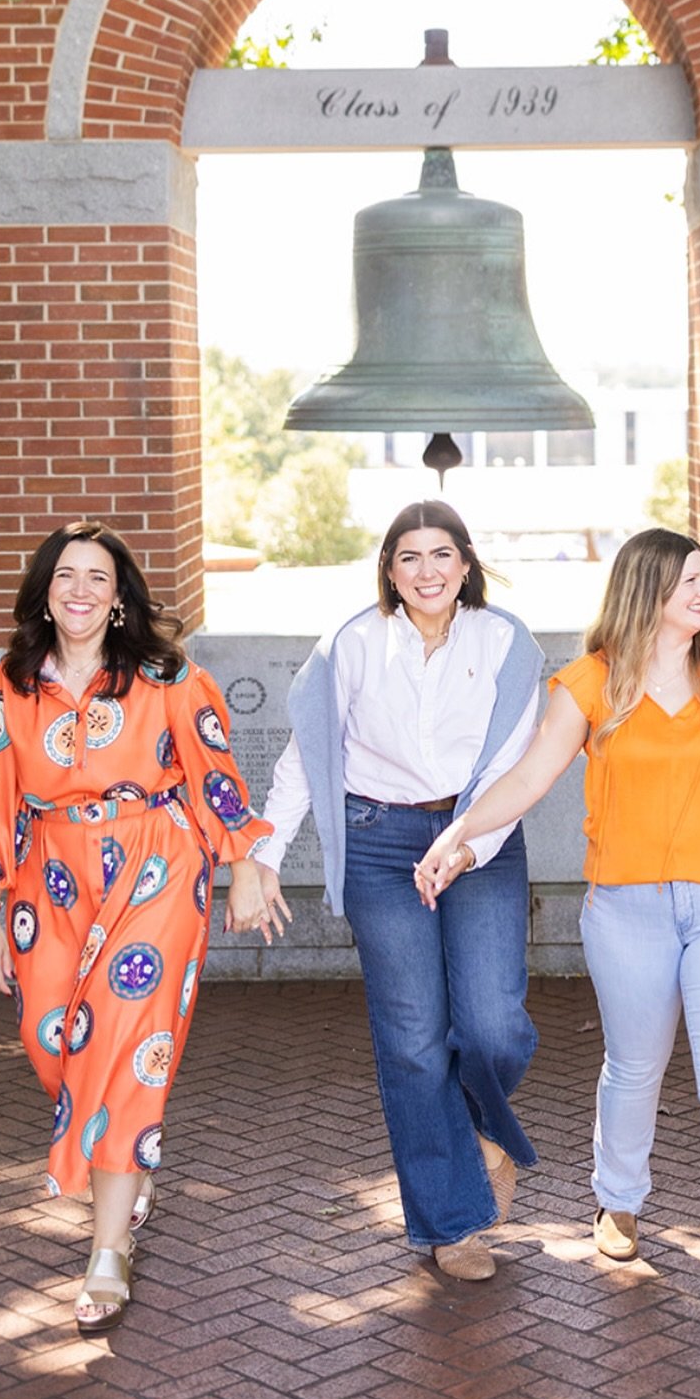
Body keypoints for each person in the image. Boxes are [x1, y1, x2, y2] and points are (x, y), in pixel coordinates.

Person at [415, 527, 700, 1342]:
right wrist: (456, 836)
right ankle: (619, 1196)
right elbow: (528, 777)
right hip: (626, 910)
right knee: (635, 1067)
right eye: (693, 581)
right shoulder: (592, 682)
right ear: (650, 590)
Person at [0, 521, 272, 1333]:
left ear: (119, 596)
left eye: (98, 578)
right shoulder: (7, 687)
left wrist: (243, 863)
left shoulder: (166, 676)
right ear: (44, 591)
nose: (80, 590)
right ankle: (129, 1162)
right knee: (50, 1036)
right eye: (65, 576)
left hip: (154, 865)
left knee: (120, 1047)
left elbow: (214, 771)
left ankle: (107, 1252)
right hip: (51, 878)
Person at [249, 500, 544, 1281]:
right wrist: (264, 854)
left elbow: (517, 763)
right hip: (380, 844)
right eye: (409, 558)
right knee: (414, 1041)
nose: (427, 572)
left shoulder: (506, 641)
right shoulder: (351, 645)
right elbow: (307, 754)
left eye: (442, 554)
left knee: (492, 1027)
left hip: (480, 838)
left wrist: (464, 843)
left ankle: (485, 1133)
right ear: (389, 570)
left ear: (467, 562)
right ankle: (454, 1224)